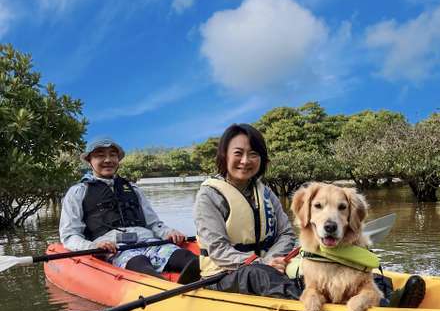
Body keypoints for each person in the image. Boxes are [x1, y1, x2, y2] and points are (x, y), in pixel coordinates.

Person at [59, 137, 199, 282]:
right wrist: (93, 246)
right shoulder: (78, 192)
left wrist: (168, 232)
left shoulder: (133, 189)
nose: (108, 160)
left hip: (148, 241)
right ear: (89, 161)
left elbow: (153, 223)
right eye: (100, 155)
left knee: (186, 257)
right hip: (114, 249)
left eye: (113, 155)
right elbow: (69, 235)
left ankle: (206, 281)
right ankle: (166, 291)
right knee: (139, 263)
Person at [193, 123, 300, 299]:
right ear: (224, 155)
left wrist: (272, 260)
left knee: (308, 261)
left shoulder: (264, 192)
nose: (245, 161)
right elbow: (219, 250)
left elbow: (286, 234)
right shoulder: (209, 195)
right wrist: (263, 264)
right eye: (238, 153)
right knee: (258, 274)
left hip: (268, 265)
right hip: (223, 275)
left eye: (253, 154)